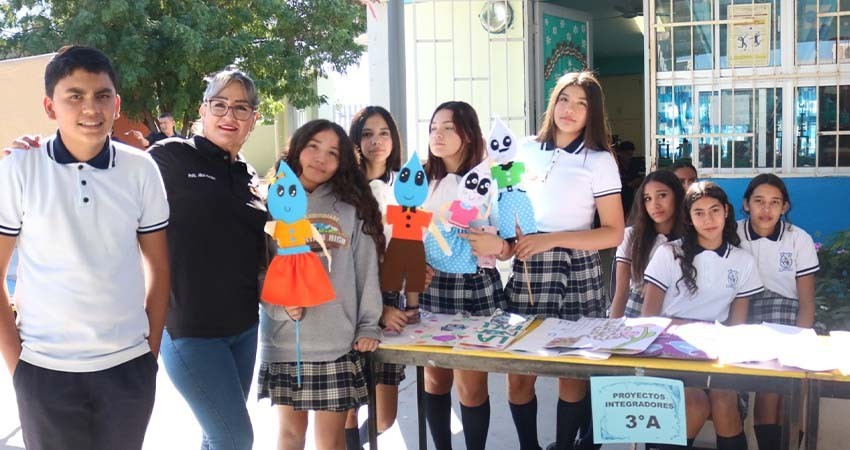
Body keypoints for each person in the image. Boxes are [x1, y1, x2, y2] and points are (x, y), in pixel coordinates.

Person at [0, 45, 170, 450]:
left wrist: (149, 356)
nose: (90, 108)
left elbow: (160, 270)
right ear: (49, 105)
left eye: (101, 95)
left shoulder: (141, 169)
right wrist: (18, 366)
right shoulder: (19, 167)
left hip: (127, 369)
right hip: (44, 371)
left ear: (117, 103)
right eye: (74, 96)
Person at [150, 69, 269, 449]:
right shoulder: (170, 157)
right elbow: (109, 173)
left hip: (245, 329)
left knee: (216, 434)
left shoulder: (248, 176)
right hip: (190, 331)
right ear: (203, 110)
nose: (229, 116)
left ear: (254, 120)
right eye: (219, 105)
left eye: (241, 108)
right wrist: (48, 153)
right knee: (234, 437)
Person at [505, 71, 624, 450]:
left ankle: (564, 445)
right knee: (520, 372)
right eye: (563, 99)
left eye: (581, 103)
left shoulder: (600, 160)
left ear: (593, 113)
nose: (569, 110)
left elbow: (613, 232)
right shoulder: (522, 149)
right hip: (528, 270)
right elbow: (506, 208)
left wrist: (550, 241)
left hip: (578, 271)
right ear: (552, 103)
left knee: (570, 371)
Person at [258, 119, 384, 450]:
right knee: (289, 435)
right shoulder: (269, 202)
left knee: (330, 442)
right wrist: (279, 306)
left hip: (336, 343)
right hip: (285, 341)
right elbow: (258, 270)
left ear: (342, 162)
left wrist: (369, 324)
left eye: (332, 153)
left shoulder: (351, 207)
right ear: (297, 147)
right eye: (313, 146)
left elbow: (365, 268)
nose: (320, 158)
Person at [642, 181, 764, 450]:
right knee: (694, 404)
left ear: (727, 211)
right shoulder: (668, 254)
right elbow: (648, 318)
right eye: (699, 212)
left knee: (724, 400)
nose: (708, 219)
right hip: (669, 352)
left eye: (714, 210)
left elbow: (737, 325)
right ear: (688, 217)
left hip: (716, 354)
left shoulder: (743, 262)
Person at [421, 101, 510, 450]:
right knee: (434, 377)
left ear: (468, 134)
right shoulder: (421, 182)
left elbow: (511, 246)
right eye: (433, 128)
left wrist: (498, 245)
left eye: (448, 128)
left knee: (471, 385)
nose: (437, 135)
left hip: (476, 286)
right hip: (432, 286)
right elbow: (404, 233)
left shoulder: (492, 180)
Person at [737, 174, 819, 450]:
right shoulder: (732, 235)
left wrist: (801, 342)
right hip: (744, 312)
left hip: (789, 317)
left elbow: (806, 302)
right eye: (759, 201)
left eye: (774, 203)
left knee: (791, 395)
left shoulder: (798, 239)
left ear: (784, 207)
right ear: (746, 204)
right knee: (769, 390)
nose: (766, 209)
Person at [345, 105, 406, 449]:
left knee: (385, 416)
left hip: (393, 298)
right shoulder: (345, 190)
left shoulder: (406, 184)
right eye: (366, 134)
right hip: (351, 302)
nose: (376, 141)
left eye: (383, 133)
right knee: (348, 409)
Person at [610, 170, 685, 318]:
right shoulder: (631, 236)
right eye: (648, 199)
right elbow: (621, 292)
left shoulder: (689, 239)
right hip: (635, 310)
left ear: (677, 196)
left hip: (676, 310)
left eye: (662, 195)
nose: (654, 204)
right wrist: (612, 329)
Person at [615, 140, 644, 220]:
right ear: (621, 153)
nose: (629, 157)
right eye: (627, 154)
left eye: (631, 154)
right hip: (619, 197)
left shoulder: (633, 164)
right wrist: (628, 185)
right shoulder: (615, 165)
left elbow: (639, 176)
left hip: (630, 197)